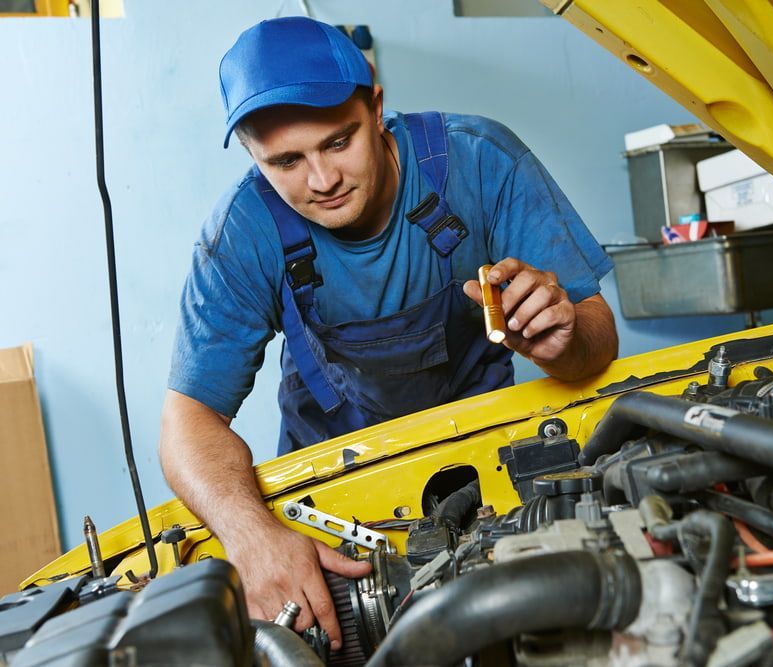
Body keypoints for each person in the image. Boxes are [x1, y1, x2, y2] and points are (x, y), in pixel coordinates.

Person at [158, 16, 618, 651]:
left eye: (338, 142)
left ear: (376, 106)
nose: (321, 181)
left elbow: (598, 337)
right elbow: (186, 423)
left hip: (480, 472)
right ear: (250, 154)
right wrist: (252, 536)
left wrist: (564, 341)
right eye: (285, 161)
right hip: (338, 505)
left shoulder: (479, 163)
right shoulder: (242, 233)